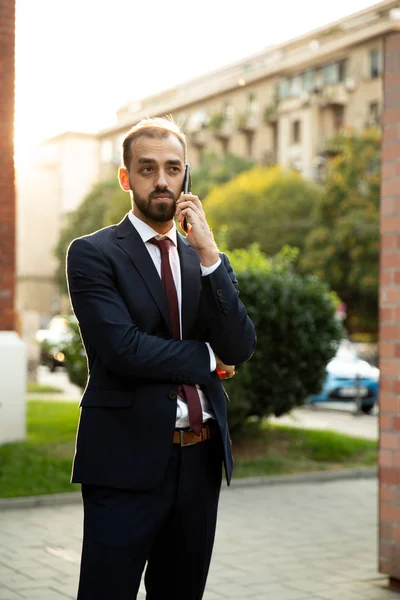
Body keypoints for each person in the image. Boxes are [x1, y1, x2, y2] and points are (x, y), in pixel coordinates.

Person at [66, 116, 256, 600]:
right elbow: (122, 349)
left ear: (186, 176)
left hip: (200, 458)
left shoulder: (204, 257)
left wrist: (211, 253)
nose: (162, 180)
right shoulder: (92, 254)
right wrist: (208, 357)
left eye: (173, 168)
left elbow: (240, 346)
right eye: (147, 169)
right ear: (126, 178)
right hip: (124, 459)